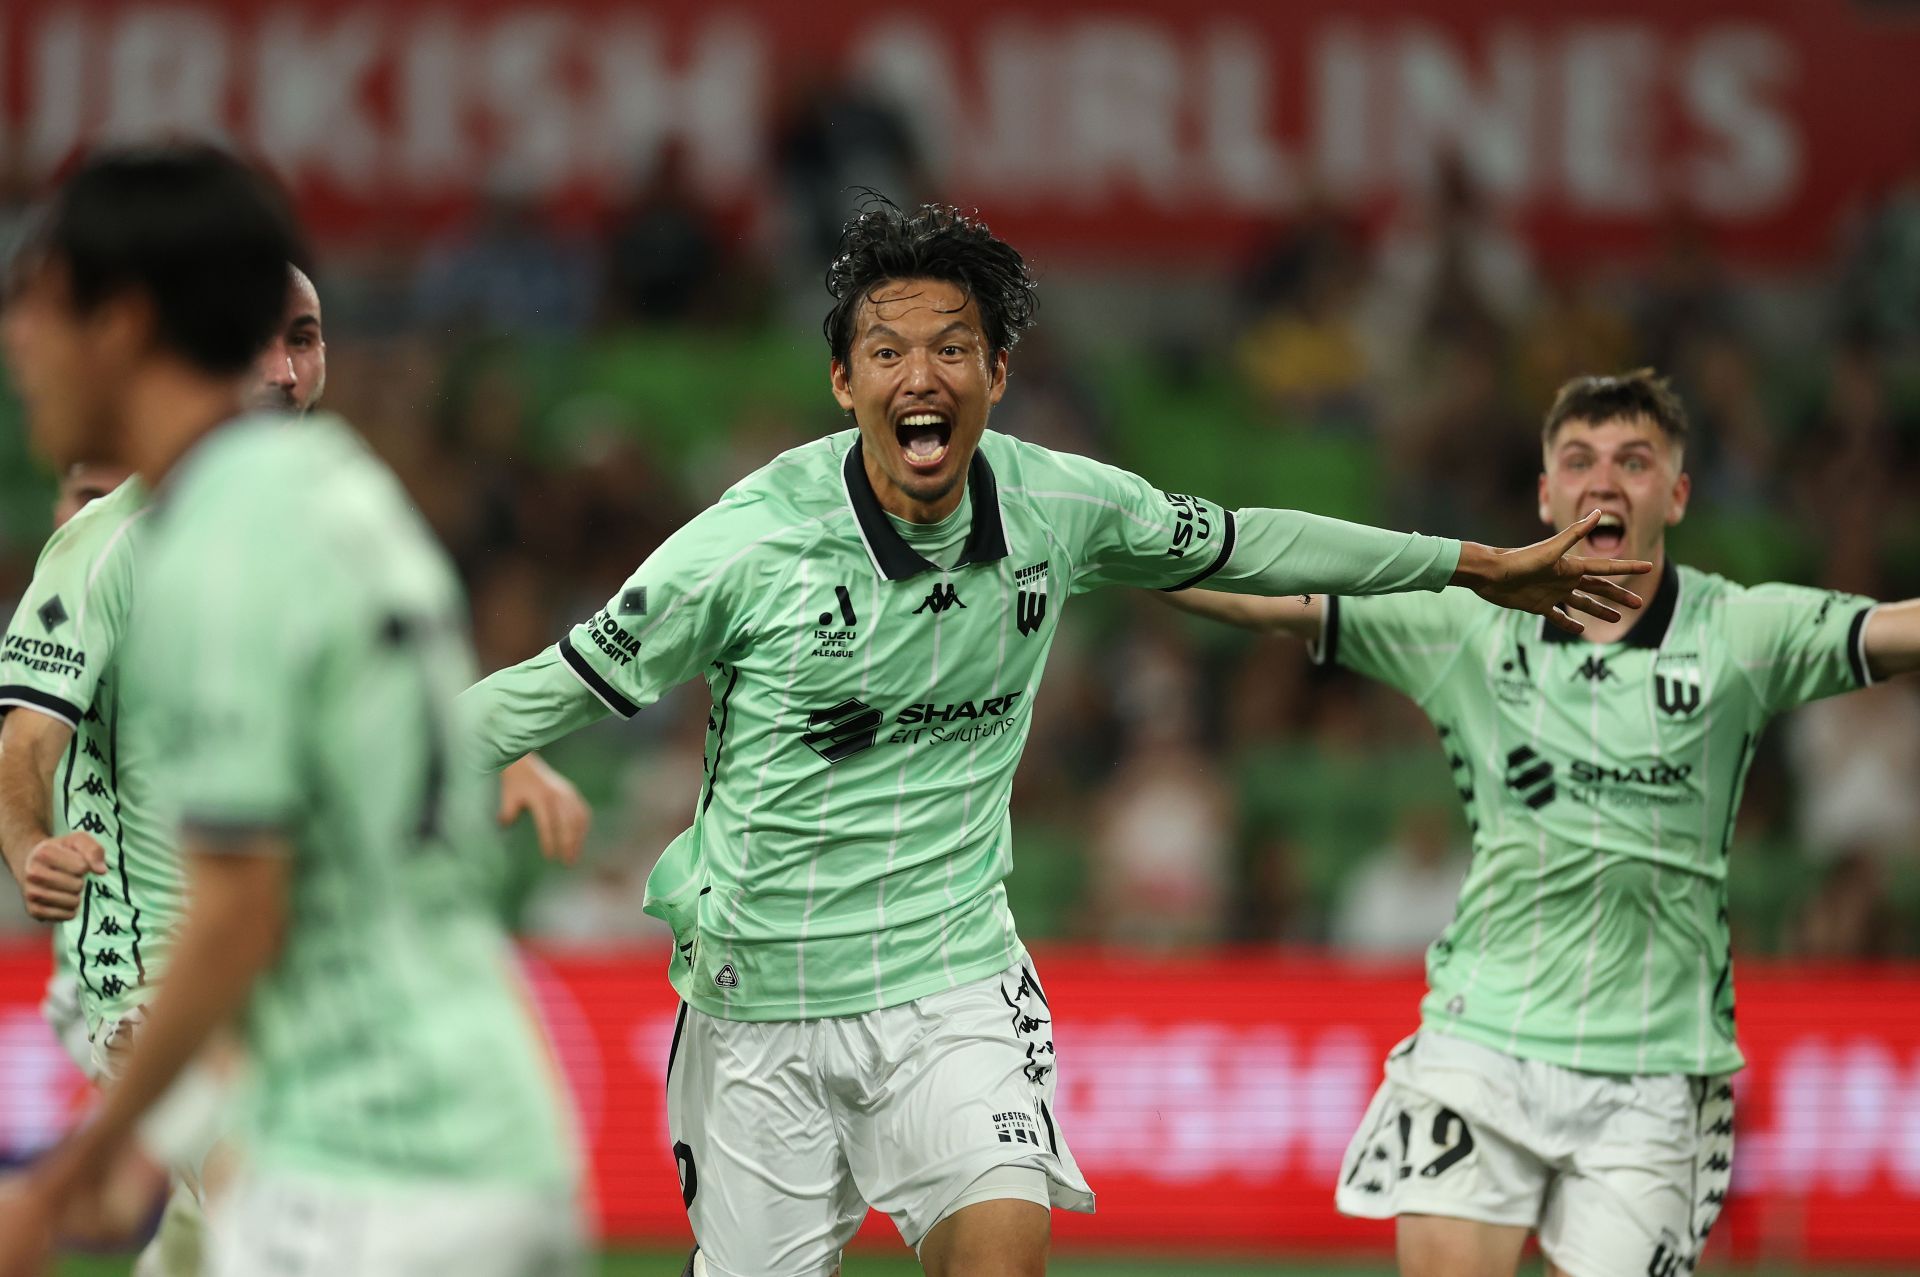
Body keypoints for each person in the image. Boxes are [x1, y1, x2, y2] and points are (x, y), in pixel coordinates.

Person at [457, 195, 1647, 1277]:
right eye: (887, 352)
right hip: (759, 997)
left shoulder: (1058, 506)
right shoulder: (747, 545)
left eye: (951, 348)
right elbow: (541, 690)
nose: (920, 375)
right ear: (842, 383)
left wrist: (1474, 564)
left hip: (951, 980)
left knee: (1002, 1250)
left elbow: (1249, 539)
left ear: (998, 371)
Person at [1164, 368, 1920, 1277]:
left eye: (1634, 461)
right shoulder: (1467, 623)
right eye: (1579, 458)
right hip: (1483, 1042)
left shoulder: (1741, 632)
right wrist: (1115, 542)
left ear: (1675, 494)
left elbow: (1893, 630)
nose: (1604, 480)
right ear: (1545, 491)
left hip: (1655, 1067)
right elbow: (1259, 597)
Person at [0, 143, 584, 1277]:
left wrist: (74, 1169)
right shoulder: (343, 494)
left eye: (37, 310)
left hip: (364, 1162)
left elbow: (237, 914)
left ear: (120, 322)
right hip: (473, 1119)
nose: (18, 348)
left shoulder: (210, 543)